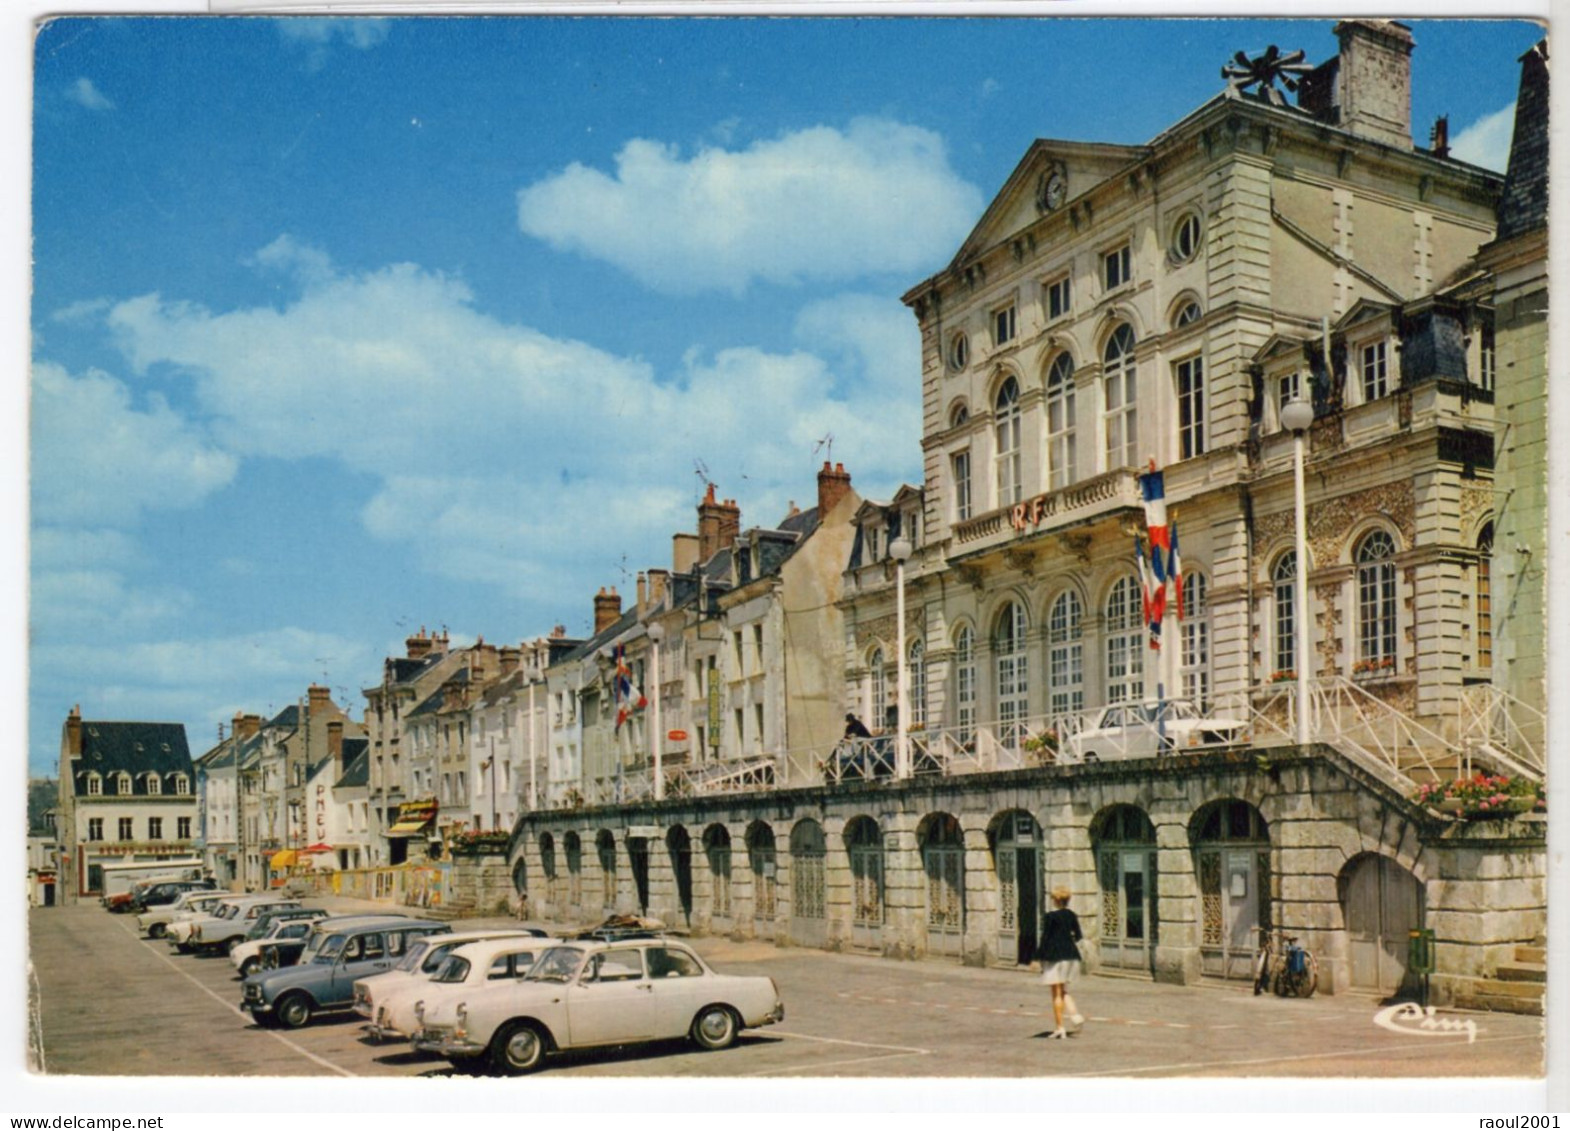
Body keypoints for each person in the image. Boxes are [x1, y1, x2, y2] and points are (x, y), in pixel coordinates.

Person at [1037, 886, 1085, 1039]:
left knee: (1056, 993)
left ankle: (1060, 1028)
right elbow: (1078, 936)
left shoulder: (1050, 917)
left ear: (1056, 900)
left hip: (1055, 956)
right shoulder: (1072, 915)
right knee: (1062, 989)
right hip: (1071, 956)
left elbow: (1045, 939)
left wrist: (1039, 957)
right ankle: (1075, 1015)